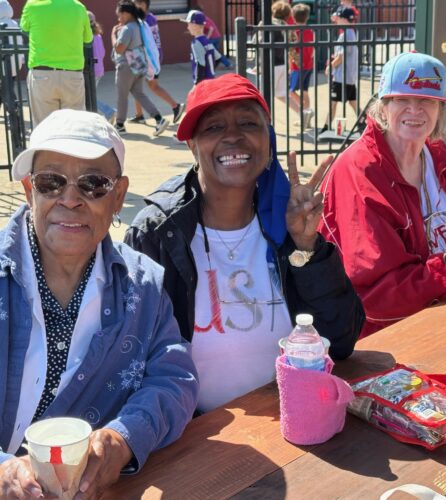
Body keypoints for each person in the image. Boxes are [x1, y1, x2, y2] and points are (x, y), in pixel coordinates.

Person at [125, 73, 365, 414]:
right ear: (192, 145)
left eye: (247, 124)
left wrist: (307, 247)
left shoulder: (286, 223)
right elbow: (132, 360)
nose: (233, 137)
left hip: (292, 419)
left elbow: (341, 342)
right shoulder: (157, 234)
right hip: (194, 438)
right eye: (213, 127)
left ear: (268, 140)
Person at [0, 109, 198, 498]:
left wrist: (123, 439)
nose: (70, 200)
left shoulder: (143, 286)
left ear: (119, 195)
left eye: (93, 184)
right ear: (29, 189)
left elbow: (174, 379)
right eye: (51, 181)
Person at [318, 52, 446, 337]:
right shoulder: (361, 171)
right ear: (384, 106)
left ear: (440, 109)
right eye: (403, 100)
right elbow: (377, 297)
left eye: (426, 101)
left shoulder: (441, 158)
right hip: (386, 339)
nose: (415, 111)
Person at [20, 0, 93, 127]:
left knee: (44, 128)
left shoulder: (32, 5)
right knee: (74, 127)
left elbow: (24, 29)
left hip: (41, 74)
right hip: (72, 75)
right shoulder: (79, 7)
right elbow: (88, 40)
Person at [111, 0, 168, 136]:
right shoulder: (139, 25)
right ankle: (159, 119)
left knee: (122, 95)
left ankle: (119, 125)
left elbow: (119, 49)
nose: (119, 19)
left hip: (126, 66)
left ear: (126, 14)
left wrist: (113, 35)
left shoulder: (127, 29)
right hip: (139, 64)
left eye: (119, 15)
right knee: (139, 94)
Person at [129, 0, 185, 126]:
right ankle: (139, 115)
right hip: (153, 56)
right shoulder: (150, 17)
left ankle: (175, 106)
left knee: (144, 87)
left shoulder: (144, 20)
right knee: (138, 86)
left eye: (136, 3)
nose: (133, 6)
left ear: (143, 4)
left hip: (148, 58)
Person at [319, 6, 358, 136]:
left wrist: (330, 66)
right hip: (349, 76)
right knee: (353, 102)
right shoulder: (352, 33)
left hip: (341, 76)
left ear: (343, 19)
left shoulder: (345, 35)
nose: (336, 20)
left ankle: (326, 127)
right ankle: (365, 122)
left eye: (338, 17)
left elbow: (341, 56)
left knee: (333, 102)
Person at [88, 11, 117, 124]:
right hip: (99, 69)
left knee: (89, 97)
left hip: (91, 71)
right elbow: (103, 52)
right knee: (90, 96)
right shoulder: (98, 36)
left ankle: (108, 111)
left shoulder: (86, 37)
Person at [289, 3, 314, 128]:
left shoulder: (295, 32)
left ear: (293, 16)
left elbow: (292, 51)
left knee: (291, 92)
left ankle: (305, 112)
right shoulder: (310, 30)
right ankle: (307, 113)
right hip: (309, 64)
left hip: (298, 67)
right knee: (305, 91)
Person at [182, 9, 221, 86]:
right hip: (211, 81)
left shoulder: (196, 43)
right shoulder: (207, 41)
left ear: (195, 25)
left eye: (188, 24)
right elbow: (218, 58)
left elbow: (200, 64)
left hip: (203, 84)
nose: (187, 28)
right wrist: (210, 71)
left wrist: (196, 84)